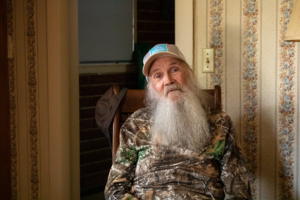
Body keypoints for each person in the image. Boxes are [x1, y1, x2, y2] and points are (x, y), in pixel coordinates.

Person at [104, 44, 252, 200]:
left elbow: (239, 190)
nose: (168, 80)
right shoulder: (135, 123)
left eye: (174, 70)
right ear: (151, 90)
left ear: (190, 75)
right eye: (158, 76)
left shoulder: (221, 123)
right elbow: (115, 187)